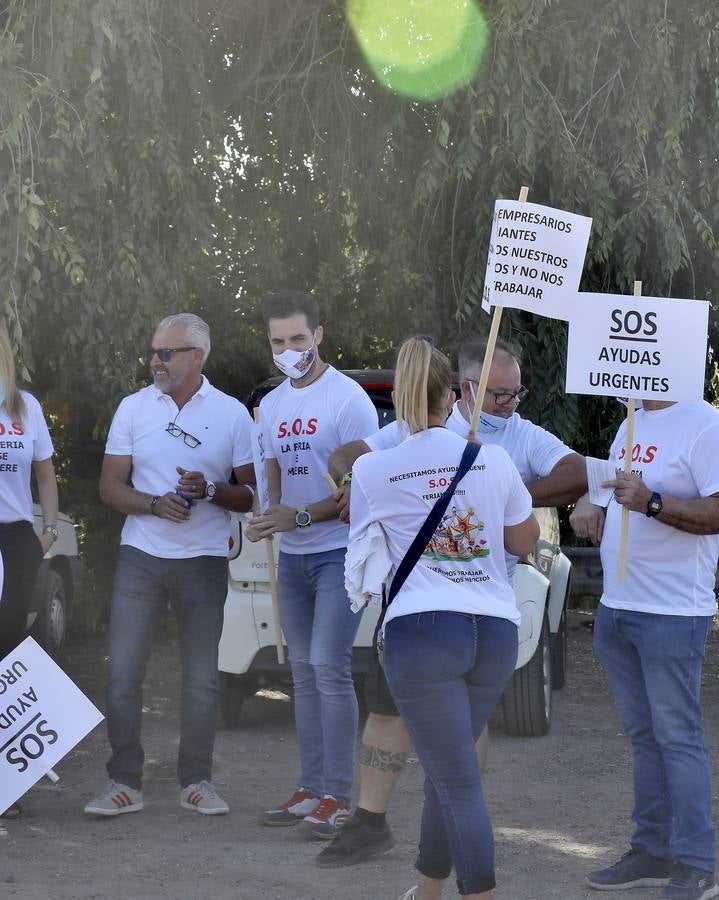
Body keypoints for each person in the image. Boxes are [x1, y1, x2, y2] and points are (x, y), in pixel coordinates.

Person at [318, 337, 585, 868]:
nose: (511, 404)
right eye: (501, 394)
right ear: (463, 392)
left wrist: (508, 489)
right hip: (436, 612)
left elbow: (575, 471)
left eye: (515, 393)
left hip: (467, 608)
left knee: (461, 740)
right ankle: (375, 820)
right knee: (389, 712)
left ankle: (455, 818)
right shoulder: (407, 434)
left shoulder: (516, 441)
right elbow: (347, 457)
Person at [346, 337, 538, 900]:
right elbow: (524, 539)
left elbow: (363, 554)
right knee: (451, 769)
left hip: (422, 631)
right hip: (494, 632)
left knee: (454, 778)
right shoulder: (492, 458)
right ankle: (427, 890)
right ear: (453, 395)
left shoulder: (372, 469)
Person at [572, 392, 719, 900]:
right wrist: (589, 501)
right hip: (619, 608)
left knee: (677, 737)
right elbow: (610, 489)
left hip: (672, 614)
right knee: (646, 736)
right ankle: (652, 850)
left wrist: (652, 501)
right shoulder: (631, 421)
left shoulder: (706, 426)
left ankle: (697, 865)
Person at [86, 314, 255, 818]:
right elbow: (110, 486)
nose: (155, 361)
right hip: (140, 556)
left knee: (202, 677)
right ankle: (124, 782)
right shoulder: (133, 407)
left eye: (167, 353)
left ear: (197, 356)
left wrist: (207, 490)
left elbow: (249, 495)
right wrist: (155, 505)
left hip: (202, 560)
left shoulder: (231, 415)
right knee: (123, 674)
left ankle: (196, 782)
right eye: (153, 352)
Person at [247, 291, 378, 838]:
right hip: (293, 560)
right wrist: (265, 512)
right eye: (278, 342)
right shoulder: (273, 403)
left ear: (319, 336)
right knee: (300, 673)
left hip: (336, 554)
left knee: (329, 667)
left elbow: (361, 491)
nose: (288, 350)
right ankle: (311, 787)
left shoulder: (349, 400)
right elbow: (270, 472)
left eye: (298, 339)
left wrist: (295, 517)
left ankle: (340, 798)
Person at [0, 324, 59, 819]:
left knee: (10, 649)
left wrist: (50, 528)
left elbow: (44, 473)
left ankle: (10, 781)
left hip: (18, 538)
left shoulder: (26, 407)